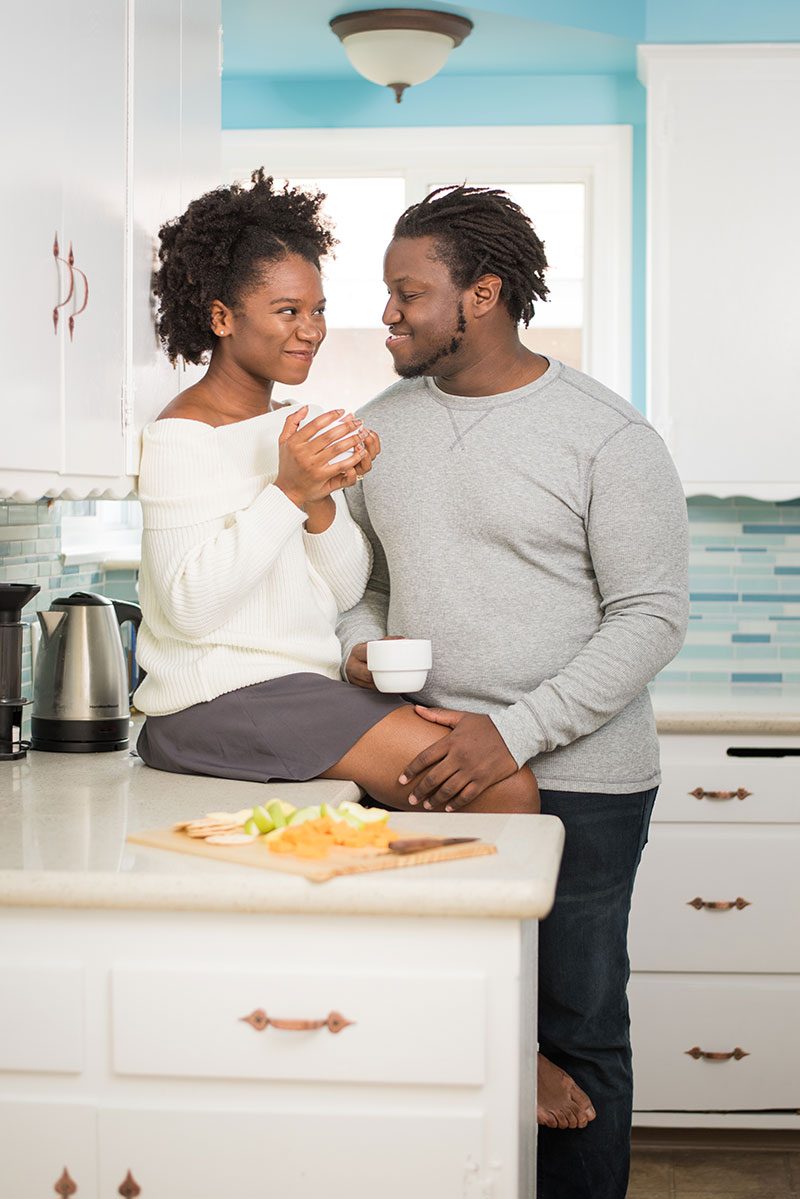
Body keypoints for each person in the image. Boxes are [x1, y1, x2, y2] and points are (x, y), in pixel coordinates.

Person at [336, 184, 689, 1199]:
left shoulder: (605, 437)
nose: (388, 314)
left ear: (481, 294)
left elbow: (649, 617)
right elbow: (356, 590)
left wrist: (515, 732)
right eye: (388, 293)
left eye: (409, 293)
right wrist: (364, 654)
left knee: (572, 1024)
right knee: (429, 1007)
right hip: (417, 767)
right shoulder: (374, 431)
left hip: (582, 778)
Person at [133, 169, 539, 821]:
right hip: (216, 702)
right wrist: (290, 490)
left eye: (317, 310)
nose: (310, 330)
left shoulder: (290, 425)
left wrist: (322, 495)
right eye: (288, 311)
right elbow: (189, 606)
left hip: (297, 691)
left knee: (489, 774)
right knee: (500, 790)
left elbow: (344, 589)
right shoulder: (181, 436)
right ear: (222, 317)